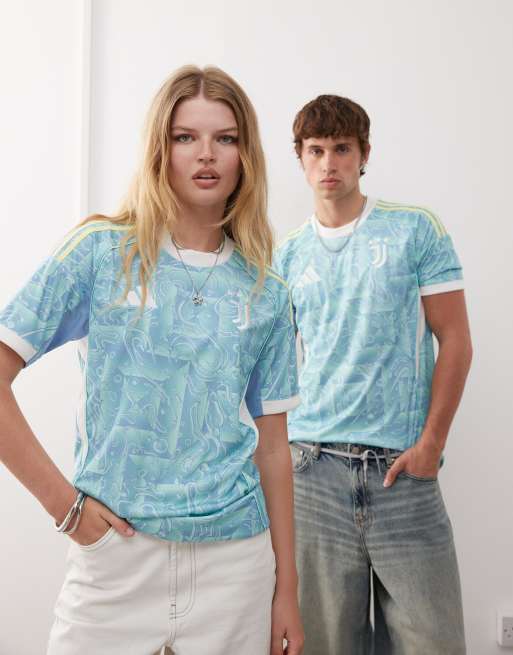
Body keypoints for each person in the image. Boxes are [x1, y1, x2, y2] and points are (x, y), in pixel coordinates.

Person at [0, 65, 304, 655]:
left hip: (235, 565)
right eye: (185, 136)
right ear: (160, 149)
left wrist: (286, 589)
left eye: (225, 138)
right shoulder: (101, 253)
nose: (206, 154)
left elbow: (273, 448)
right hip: (115, 557)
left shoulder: (266, 291)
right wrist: (65, 508)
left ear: (245, 155)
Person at [273, 94, 472, 654]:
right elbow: (272, 374)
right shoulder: (286, 256)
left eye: (342, 149)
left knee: (433, 643)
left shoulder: (415, 230)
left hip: (402, 472)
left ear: (364, 154)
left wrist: (431, 445)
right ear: (299, 157)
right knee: (323, 644)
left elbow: (456, 340)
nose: (329, 163)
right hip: (313, 472)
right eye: (316, 150)